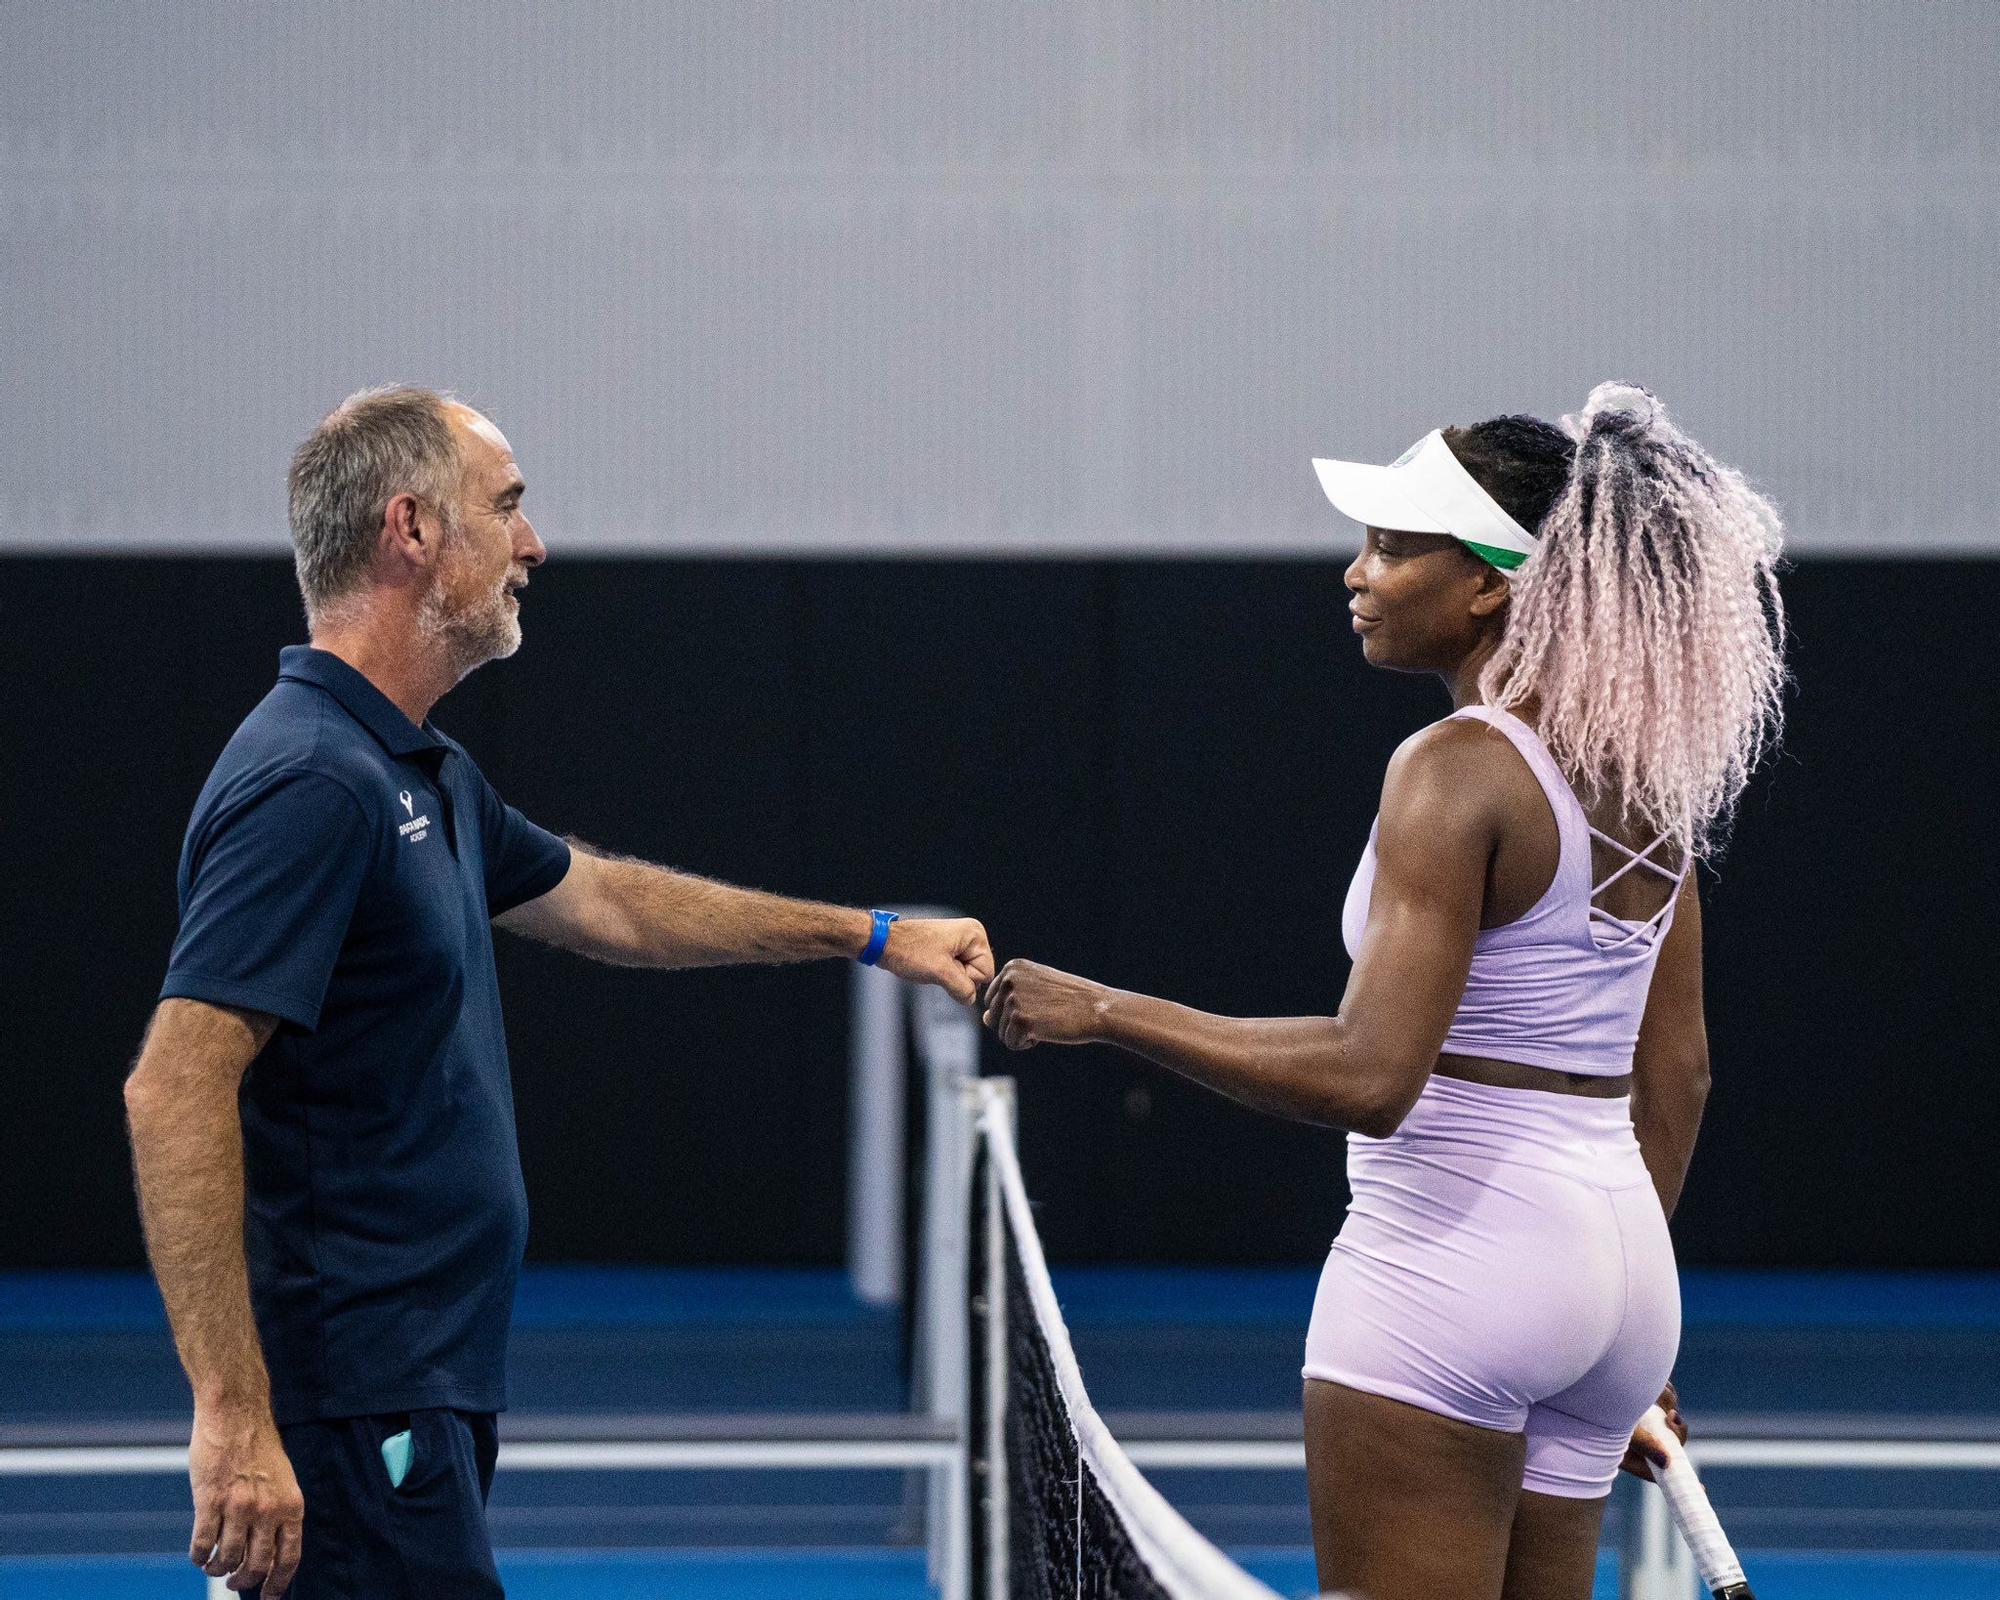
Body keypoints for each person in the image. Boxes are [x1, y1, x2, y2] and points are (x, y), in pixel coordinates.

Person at [123, 386, 993, 1600]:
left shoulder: (414, 766)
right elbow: (173, 1086)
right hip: (352, 1407)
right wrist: (231, 1416)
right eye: (510, 506)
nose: (533, 545)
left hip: (416, 1396)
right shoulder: (314, 781)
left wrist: (871, 934)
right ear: (412, 528)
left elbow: (612, 903)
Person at [981, 383, 1786, 1600]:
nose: (1355, 574)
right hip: (1618, 1272)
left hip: (1452, 1265)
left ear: (1490, 585)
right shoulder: (1645, 783)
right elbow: (1676, 1072)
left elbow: (1370, 1076)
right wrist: (1609, 1309)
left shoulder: (1452, 768)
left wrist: (1102, 1010)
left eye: (1394, 548)